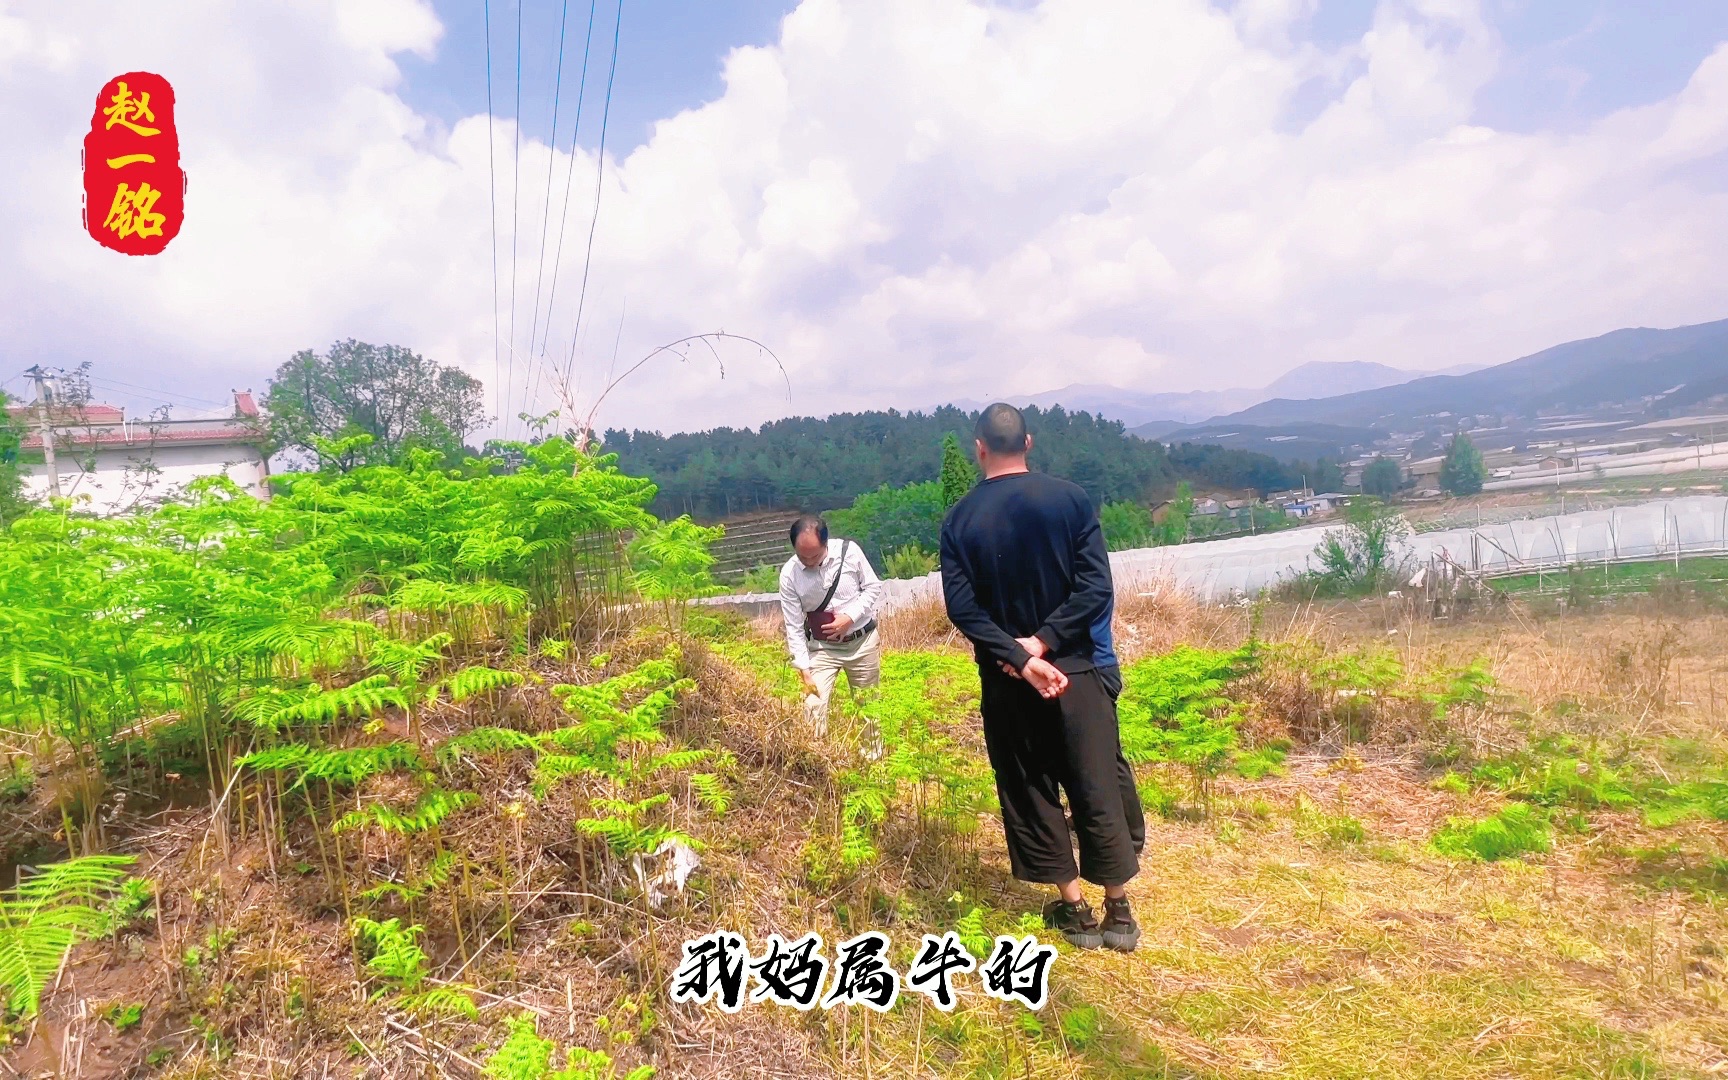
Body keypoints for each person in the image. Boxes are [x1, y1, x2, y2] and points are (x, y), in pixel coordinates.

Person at [939, 403, 1143, 952]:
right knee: (1094, 781)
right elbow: (1095, 589)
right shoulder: (1070, 499)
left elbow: (963, 609)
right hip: (1076, 669)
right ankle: (1118, 912)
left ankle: (1074, 910)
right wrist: (1044, 643)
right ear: (1027, 443)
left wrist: (1019, 655)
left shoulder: (959, 520)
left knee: (1029, 788)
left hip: (1008, 682)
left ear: (979, 447)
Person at [777, 514, 886, 750]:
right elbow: (793, 626)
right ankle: (819, 763)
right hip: (822, 648)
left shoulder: (849, 552)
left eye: (814, 555)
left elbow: (872, 586)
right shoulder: (789, 575)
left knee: (868, 708)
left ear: (826, 543)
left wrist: (850, 617)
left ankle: (874, 767)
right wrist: (803, 669)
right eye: (802, 556)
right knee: (812, 706)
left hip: (861, 642)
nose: (808, 562)